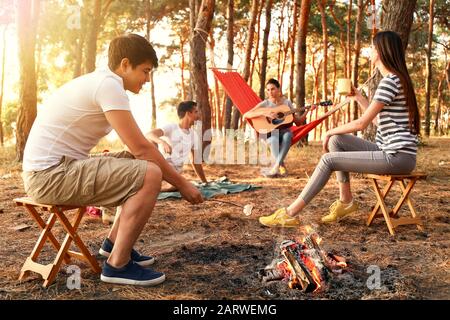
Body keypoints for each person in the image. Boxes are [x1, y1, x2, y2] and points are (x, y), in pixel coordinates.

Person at [21, 34, 203, 286]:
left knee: (135, 163)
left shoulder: (102, 82)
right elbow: (141, 147)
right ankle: (117, 266)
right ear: (125, 64)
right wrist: (183, 184)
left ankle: (114, 245)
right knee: (149, 173)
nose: (147, 79)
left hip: (54, 171)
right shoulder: (109, 86)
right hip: (49, 177)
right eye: (145, 71)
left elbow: (136, 149)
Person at [259, 31, 420, 227]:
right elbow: (379, 121)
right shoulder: (397, 80)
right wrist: (359, 98)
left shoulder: (389, 82)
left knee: (328, 158)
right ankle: (346, 201)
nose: (371, 51)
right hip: (394, 152)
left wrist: (329, 131)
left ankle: (290, 213)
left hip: (396, 157)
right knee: (337, 142)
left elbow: (361, 124)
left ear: (381, 52)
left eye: (373, 48)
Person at [243, 79, 304, 177]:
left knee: (288, 135)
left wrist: (308, 111)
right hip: (269, 133)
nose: (270, 92)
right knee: (274, 139)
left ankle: (276, 166)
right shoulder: (265, 104)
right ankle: (281, 165)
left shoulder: (287, 103)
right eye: (268, 90)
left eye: (272, 89)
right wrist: (264, 112)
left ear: (279, 89)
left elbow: (298, 122)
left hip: (283, 131)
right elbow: (246, 114)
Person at [146, 100, 208, 191]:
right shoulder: (172, 127)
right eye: (196, 112)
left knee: (182, 184)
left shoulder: (194, 135)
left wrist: (205, 182)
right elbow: (149, 134)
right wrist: (162, 142)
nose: (198, 115)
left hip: (174, 175)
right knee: (151, 142)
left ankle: (163, 186)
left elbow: (196, 161)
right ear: (188, 113)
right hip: (160, 169)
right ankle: (156, 184)